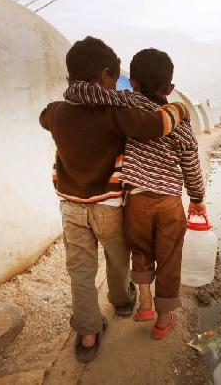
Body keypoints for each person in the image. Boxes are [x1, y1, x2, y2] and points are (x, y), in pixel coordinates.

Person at [40, 36, 187, 362]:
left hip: (71, 208)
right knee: (118, 261)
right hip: (108, 207)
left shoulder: (56, 113)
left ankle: (89, 335)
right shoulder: (114, 113)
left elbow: (43, 116)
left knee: (80, 272)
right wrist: (178, 109)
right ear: (104, 75)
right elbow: (154, 125)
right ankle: (121, 302)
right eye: (114, 78)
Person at [64, 48, 206, 340]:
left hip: (136, 201)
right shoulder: (181, 126)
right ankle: (163, 321)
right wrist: (197, 198)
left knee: (140, 252)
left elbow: (90, 94)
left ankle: (143, 303)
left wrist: (73, 85)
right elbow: (191, 165)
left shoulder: (126, 104)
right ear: (170, 88)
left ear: (135, 84)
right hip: (168, 204)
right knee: (169, 261)